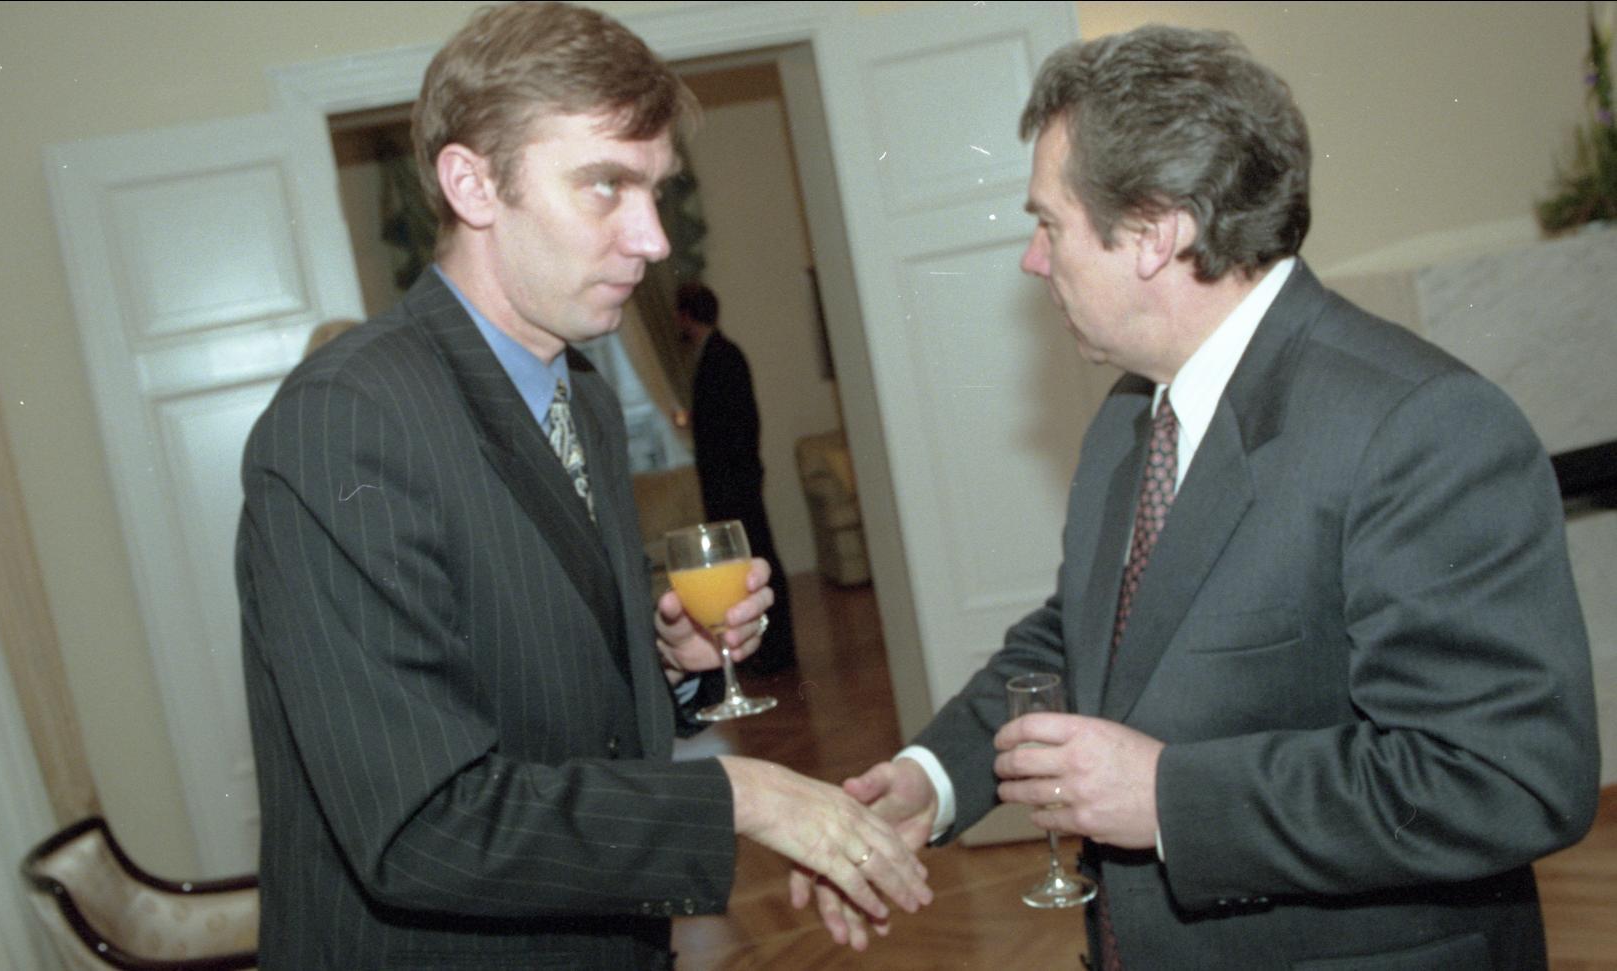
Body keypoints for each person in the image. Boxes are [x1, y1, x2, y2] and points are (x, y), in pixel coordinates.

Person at [806, 24, 1600, 968]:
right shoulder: (1130, 414)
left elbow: (1506, 776)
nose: (1032, 258)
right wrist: (931, 777)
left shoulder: (1419, 427)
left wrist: (1166, 797)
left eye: (1049, 223)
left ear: (1154, 231)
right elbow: (1088, 640)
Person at [234, 4, 930, 967]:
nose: (652, 238)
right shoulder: (348, 420)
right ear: (472, 183)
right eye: (606, 185)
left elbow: (555, 700)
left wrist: (670, 662)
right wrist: (744, 793)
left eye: (656, 190)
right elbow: (418, 824)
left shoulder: (584, 395)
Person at [675, 281, 796, 673]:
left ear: (688, 315)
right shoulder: (715, 353)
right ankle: (761, 651)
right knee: (746, 567)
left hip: (735, 482)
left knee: (757, 563)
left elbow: (740, 424)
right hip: (731, 480)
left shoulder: (723, 355)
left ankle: (775, 652)